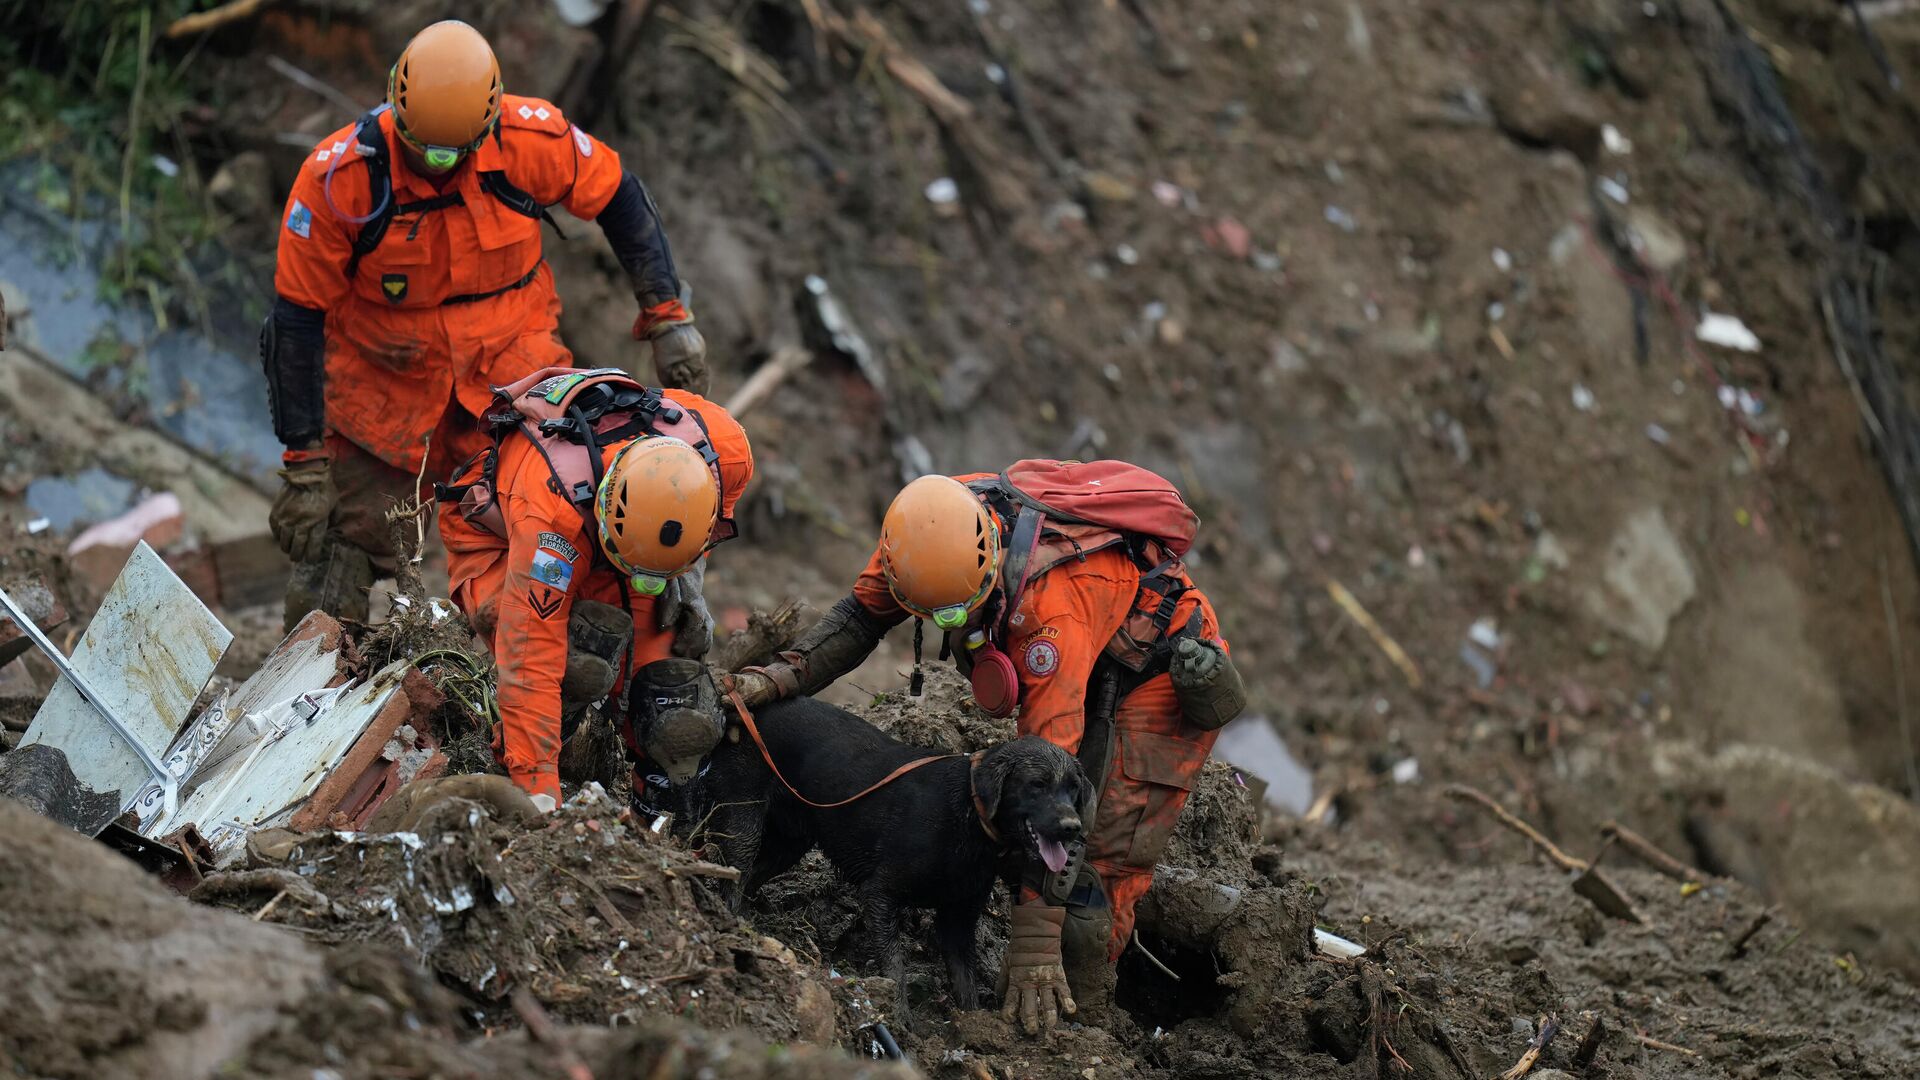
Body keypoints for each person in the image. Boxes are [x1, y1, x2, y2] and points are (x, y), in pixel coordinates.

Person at [728, 461, 1247, 1034]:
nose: (945, 624)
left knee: (1093, 855)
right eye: (927, 614)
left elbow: (1051, 762)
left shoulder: (1053, 606)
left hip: (1158, 674)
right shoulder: (923, 537)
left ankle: (1083, 1025)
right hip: (1088, 644)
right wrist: (772, 680)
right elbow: (857, 621)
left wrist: (1035, 946)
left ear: (990, 567)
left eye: (954, 613)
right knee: (1011, 832)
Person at [262, 19, 708, 630]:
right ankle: (303, 695)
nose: (435, 165)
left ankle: (560, 665)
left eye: (452, 154)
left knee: (553, 522)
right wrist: (303, 463)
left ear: (487, 125)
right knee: (339, 553)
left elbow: (621, 199)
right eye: (421, 149)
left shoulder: (532, 141)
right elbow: (295, 320)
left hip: (514, 382)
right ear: (396, 103)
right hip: (382, 391)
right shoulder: (340, 181)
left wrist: (668, 317)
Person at [438, 367, 752, 812]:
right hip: (503, 540)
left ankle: (663, 824)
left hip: (629, 549)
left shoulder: (726, 452)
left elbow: (707, 518)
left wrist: (687, 577)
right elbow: (530, 662)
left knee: (673, 711)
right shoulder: (551, 523)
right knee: (577, 660)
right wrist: (538, 796)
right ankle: (532, 758)